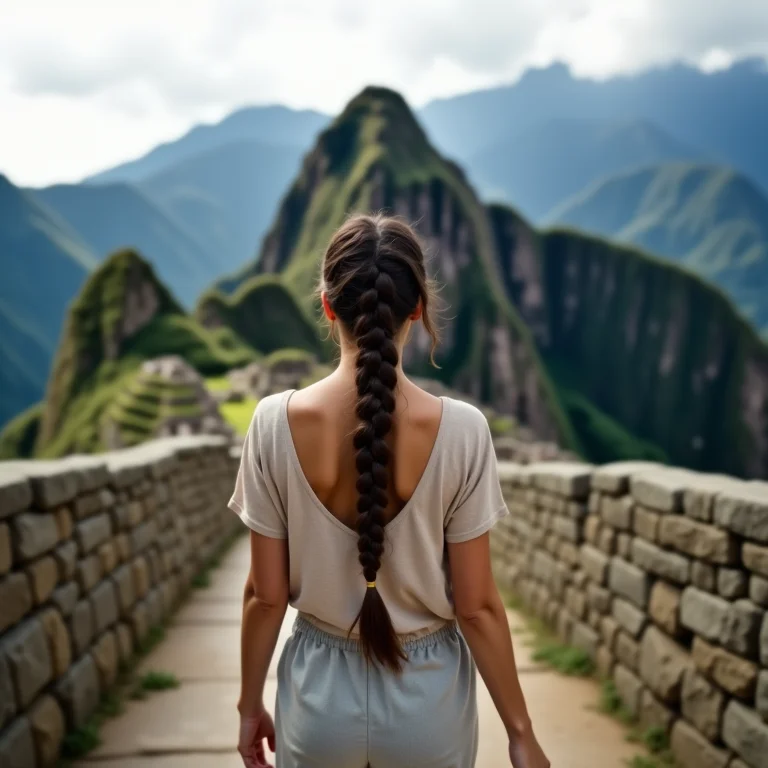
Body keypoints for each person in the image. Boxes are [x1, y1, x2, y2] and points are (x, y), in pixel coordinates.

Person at [230, 214, 550, 768]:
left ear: (328, 306)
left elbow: (265, 595)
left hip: (317, 700)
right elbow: (476, 607)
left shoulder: (271, 424)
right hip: (429, 702)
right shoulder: (463, 431)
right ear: (418, 309)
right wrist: (519, 732)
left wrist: (249, 704)